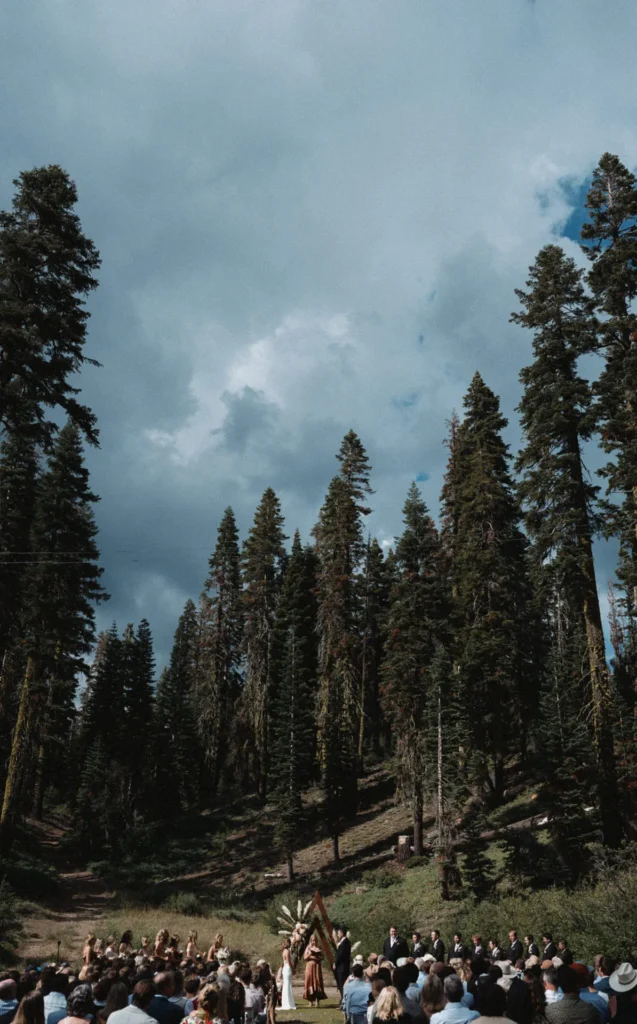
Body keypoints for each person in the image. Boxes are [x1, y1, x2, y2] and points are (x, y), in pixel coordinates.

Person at [303, 936, 326, 1008]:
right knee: (309, 982)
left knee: (317, 981)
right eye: (313, 940)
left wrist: (317, 956)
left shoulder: (319, 948)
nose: (314, 942)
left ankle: (317, 1000)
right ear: (311, 941)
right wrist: (310, 954)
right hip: (309, 966)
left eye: (315, 940)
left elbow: (323, 957)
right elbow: (305, 958)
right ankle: (310, 1001)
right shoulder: (308, 947)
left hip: (317, 966)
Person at [335, 926, 352, 996]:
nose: (338, 935)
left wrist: (335, 963)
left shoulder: (345, 943)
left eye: (338, 933)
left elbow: (341, 955)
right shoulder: (344, 942)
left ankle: (344, 1002)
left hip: (342, 967)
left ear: (342, 933)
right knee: (341, 985)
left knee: (342, 985)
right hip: (342, 967)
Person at [279, 940, 295, 1012]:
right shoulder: (287, 951)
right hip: (287, 968)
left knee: (286, 985)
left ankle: (286, 1002)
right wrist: (293, 969)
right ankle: (288, 1003)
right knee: (287, 985)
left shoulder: (283, 951)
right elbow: (289, 961)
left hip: (285, 968)